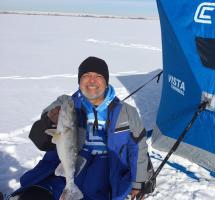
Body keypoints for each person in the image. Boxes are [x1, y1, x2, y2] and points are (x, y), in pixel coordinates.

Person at [9, 56, 155, 200]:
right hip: (67, 165)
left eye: (98, 76)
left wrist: (138, 182)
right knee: (34, 195)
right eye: (86, 75)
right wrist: (49, 121)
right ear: (79, 81)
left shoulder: (127, 112)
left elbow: (138, 147)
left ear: (106, 82)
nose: (92, 80)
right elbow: (40, 139)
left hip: (107, 173)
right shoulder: (65, 103)